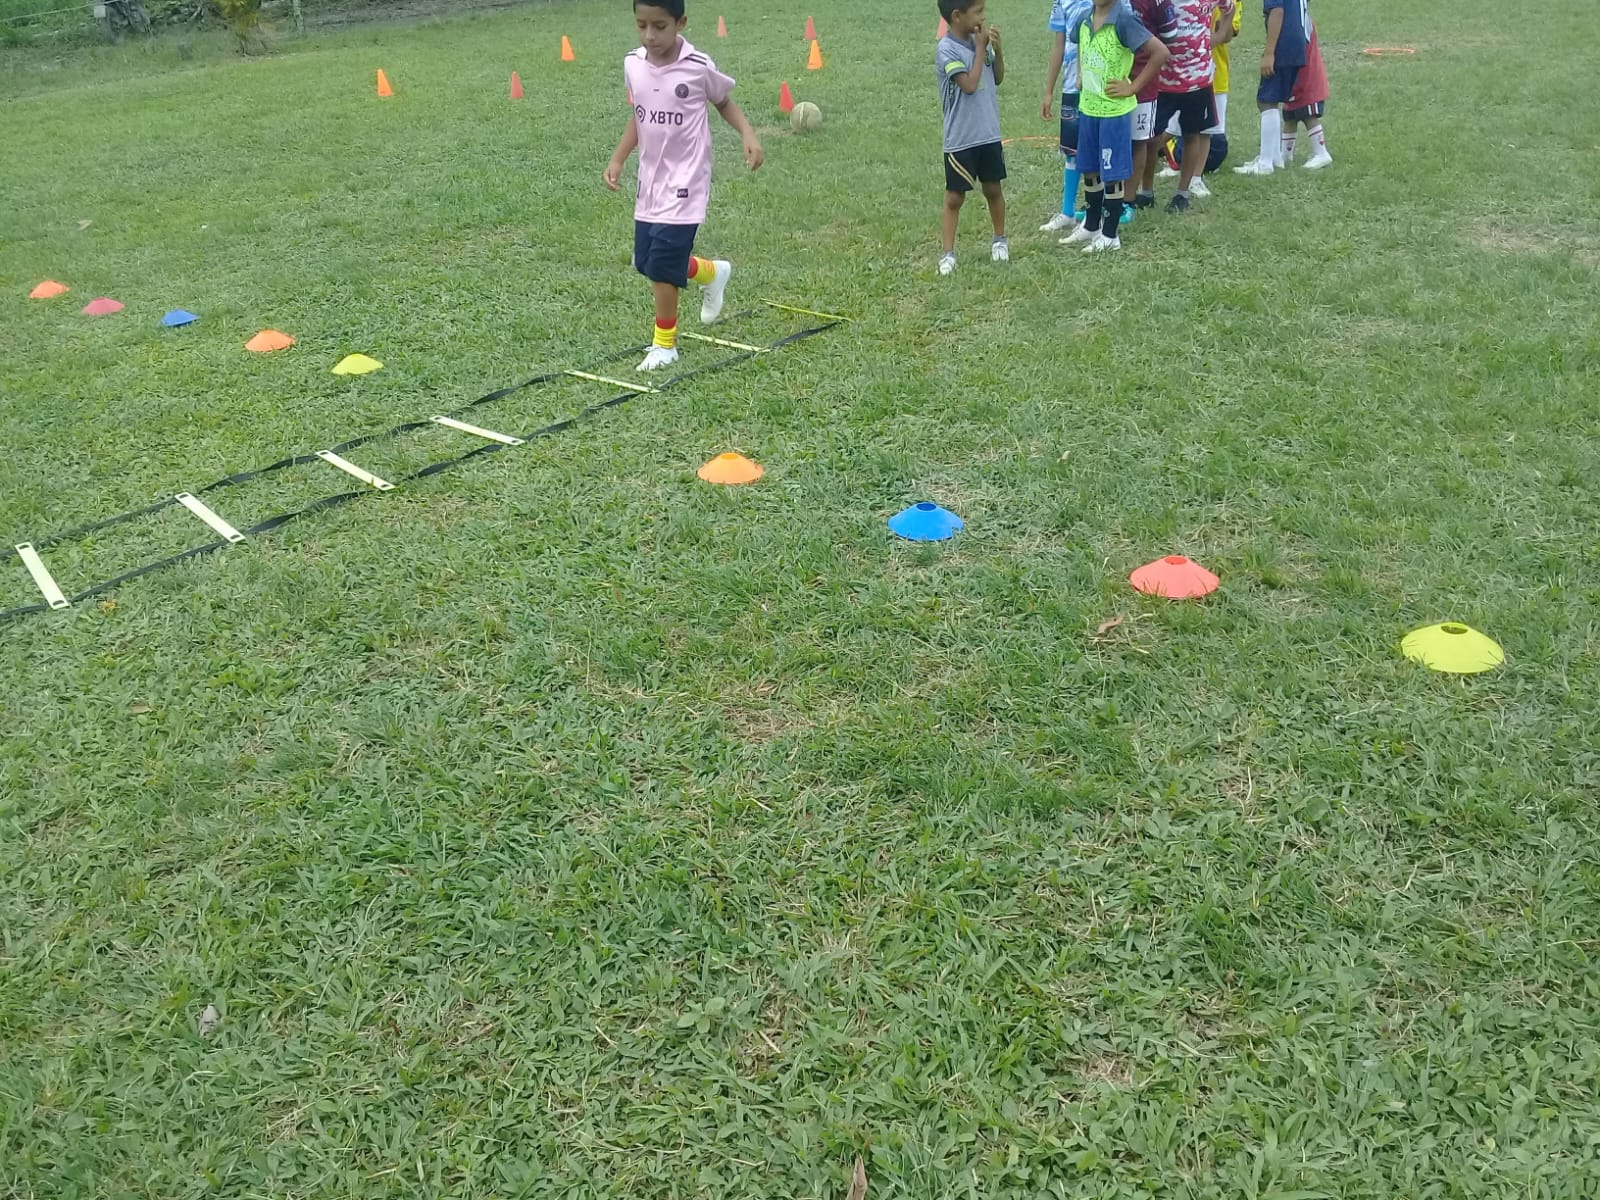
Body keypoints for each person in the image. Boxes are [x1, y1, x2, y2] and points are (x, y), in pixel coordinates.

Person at [604, 0, 764, 371]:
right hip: (651, 182)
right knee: (645, 262)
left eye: (659, 26)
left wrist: (748, 133)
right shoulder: (633, 64)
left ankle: (665, 346)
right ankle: (712, 272)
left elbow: (724, 101)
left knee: (661, 266)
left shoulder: (697, 66)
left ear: (680, 23)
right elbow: (639, 115)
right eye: (641, 25)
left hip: (686, 181)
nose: (649, 35)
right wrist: (618, 158)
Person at [1060, 0, 1170, 253]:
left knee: (1112, 175)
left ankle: (1110, 235)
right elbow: (1080, 44)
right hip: (1089, 109)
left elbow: (1160, 53)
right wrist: (1080, 73)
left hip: (1114, 114)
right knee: (1090, 169)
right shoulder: (1084, 18)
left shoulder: (1124, 20)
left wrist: (1132, 87)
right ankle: (1091, 225)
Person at [937, 0, 1008, 275]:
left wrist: (996, 52)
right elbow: (969, 85)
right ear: (957, 16)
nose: (983, 17)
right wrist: (980, 49)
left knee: (993, 190)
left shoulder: (981, 42)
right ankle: (948, 254)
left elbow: (997, 78)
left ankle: (1000, 240)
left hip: (988, 133)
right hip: (961, 138)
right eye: (978, 12)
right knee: (955, 197)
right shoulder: (947, 49)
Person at [1152, 0, 1233, 212]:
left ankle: (1182, 193)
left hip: (1198, 81)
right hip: (1163, 80)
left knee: (1192, 136)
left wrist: (1218, 36)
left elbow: (1229, 8)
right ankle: (1145, 191)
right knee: (1150, 138)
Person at [1233, 0, 1310, 175]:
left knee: (1267, 100)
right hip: (1297, 42)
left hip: (1284, 43)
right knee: (1271, 99)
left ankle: (1266, 162)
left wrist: (1269, 53)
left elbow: (1277, 11)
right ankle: (1275, 157)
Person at [1039, 0, 1092, 233]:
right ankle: (1068, 212)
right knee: (1071, 153)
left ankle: (1098, 212)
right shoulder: (1061, 2)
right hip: (1072, 89)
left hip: (1101, 92)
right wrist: (1049, 91)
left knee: (1098, 153)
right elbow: (1058, 45)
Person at [1126, 0, 1178, 211]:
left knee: (1141, 141)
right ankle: (1110, 196)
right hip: (1110, 79)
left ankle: (1133, 197)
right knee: (1115, 140)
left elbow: (1170, 35)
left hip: (1143, 80)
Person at [1280, 18, 1331, 168]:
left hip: (1306, 76)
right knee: (1289, 116)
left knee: (1309, 114)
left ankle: (1321, 152)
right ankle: (1285, 155)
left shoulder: (1299, 20)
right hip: (1293, 77)